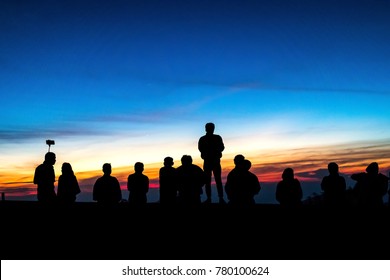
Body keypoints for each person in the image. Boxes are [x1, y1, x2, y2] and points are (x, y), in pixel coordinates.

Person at [198, 122, 225, 204]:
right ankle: (210, 198)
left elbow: (222, 147)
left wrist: (213, 152)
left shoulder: (217, 138)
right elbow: (201, 149)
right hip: (208, 161)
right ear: (206, 128)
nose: (211, 129)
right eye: (209, 128)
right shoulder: (203, 139)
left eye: (212, 128)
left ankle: (220, 198)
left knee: (218, 180)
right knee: (209, 181)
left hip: (214, 161)